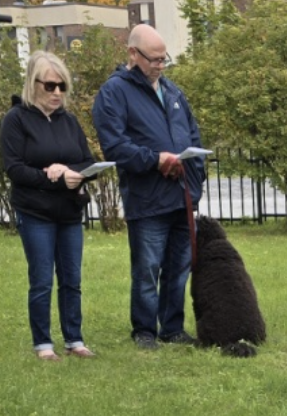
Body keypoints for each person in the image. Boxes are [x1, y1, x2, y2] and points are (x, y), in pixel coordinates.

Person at [93, 24, 205, 349]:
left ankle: (172, 328)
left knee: (178, 268)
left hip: (182, 197)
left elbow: (192, 135)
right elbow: (115, 146)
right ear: (133, 54)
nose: (160, 65)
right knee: (147, 269)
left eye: (163, 59)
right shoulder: (113, 93)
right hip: (148, 200)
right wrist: (156, 160)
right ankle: (144, 330)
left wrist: (195, 176)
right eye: (154, 59)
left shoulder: (172, 92)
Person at [1, 51, 98, 361]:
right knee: (42, 280)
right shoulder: (16, 120)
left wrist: (70, 172)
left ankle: (74, 339)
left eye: (63, 87)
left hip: (69, 212)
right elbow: (14, 168)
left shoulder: (68, 120)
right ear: (34, 83)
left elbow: (87, 161)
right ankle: (43, 344)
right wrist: (52, 176)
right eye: (50, 86)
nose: (57, 93)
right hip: (35, 212)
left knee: (72, 279)